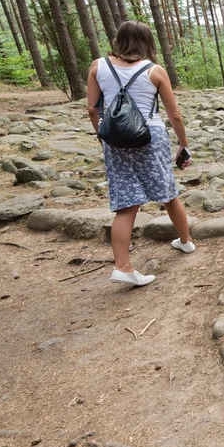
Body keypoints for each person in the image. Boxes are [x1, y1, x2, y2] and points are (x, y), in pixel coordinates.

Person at [87, 21, 196, 287]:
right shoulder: (154, 71)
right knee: (168, 193)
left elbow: (92, 110)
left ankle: (123, 266)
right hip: (151, 136)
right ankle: (185, 242)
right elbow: (174, 114)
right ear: (147, 42)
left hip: (115, 139)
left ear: (118, 39)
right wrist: (183, 144)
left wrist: (105, 137)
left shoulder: (97, 66)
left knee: (127, 203)